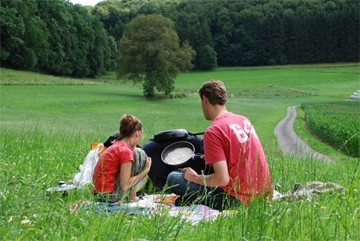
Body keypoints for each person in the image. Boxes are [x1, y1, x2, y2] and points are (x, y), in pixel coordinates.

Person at [166, 80, 273, 210]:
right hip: (262, 195)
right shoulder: (243, 120)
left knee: (174, 177)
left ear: (205, 100)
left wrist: (195, 178)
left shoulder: (214, 130)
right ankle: (188, 199)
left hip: (236, 199)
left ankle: (191, 199)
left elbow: (222, 179)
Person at [92, 114, 152, 203]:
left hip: (98, 194)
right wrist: (145, 171)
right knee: (139, 152)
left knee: (136, 152)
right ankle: (132, 196)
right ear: (137, 133)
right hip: (110, 197)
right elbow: (125, 185)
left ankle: (132, 195)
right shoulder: (125, 151)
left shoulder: (115, 145)